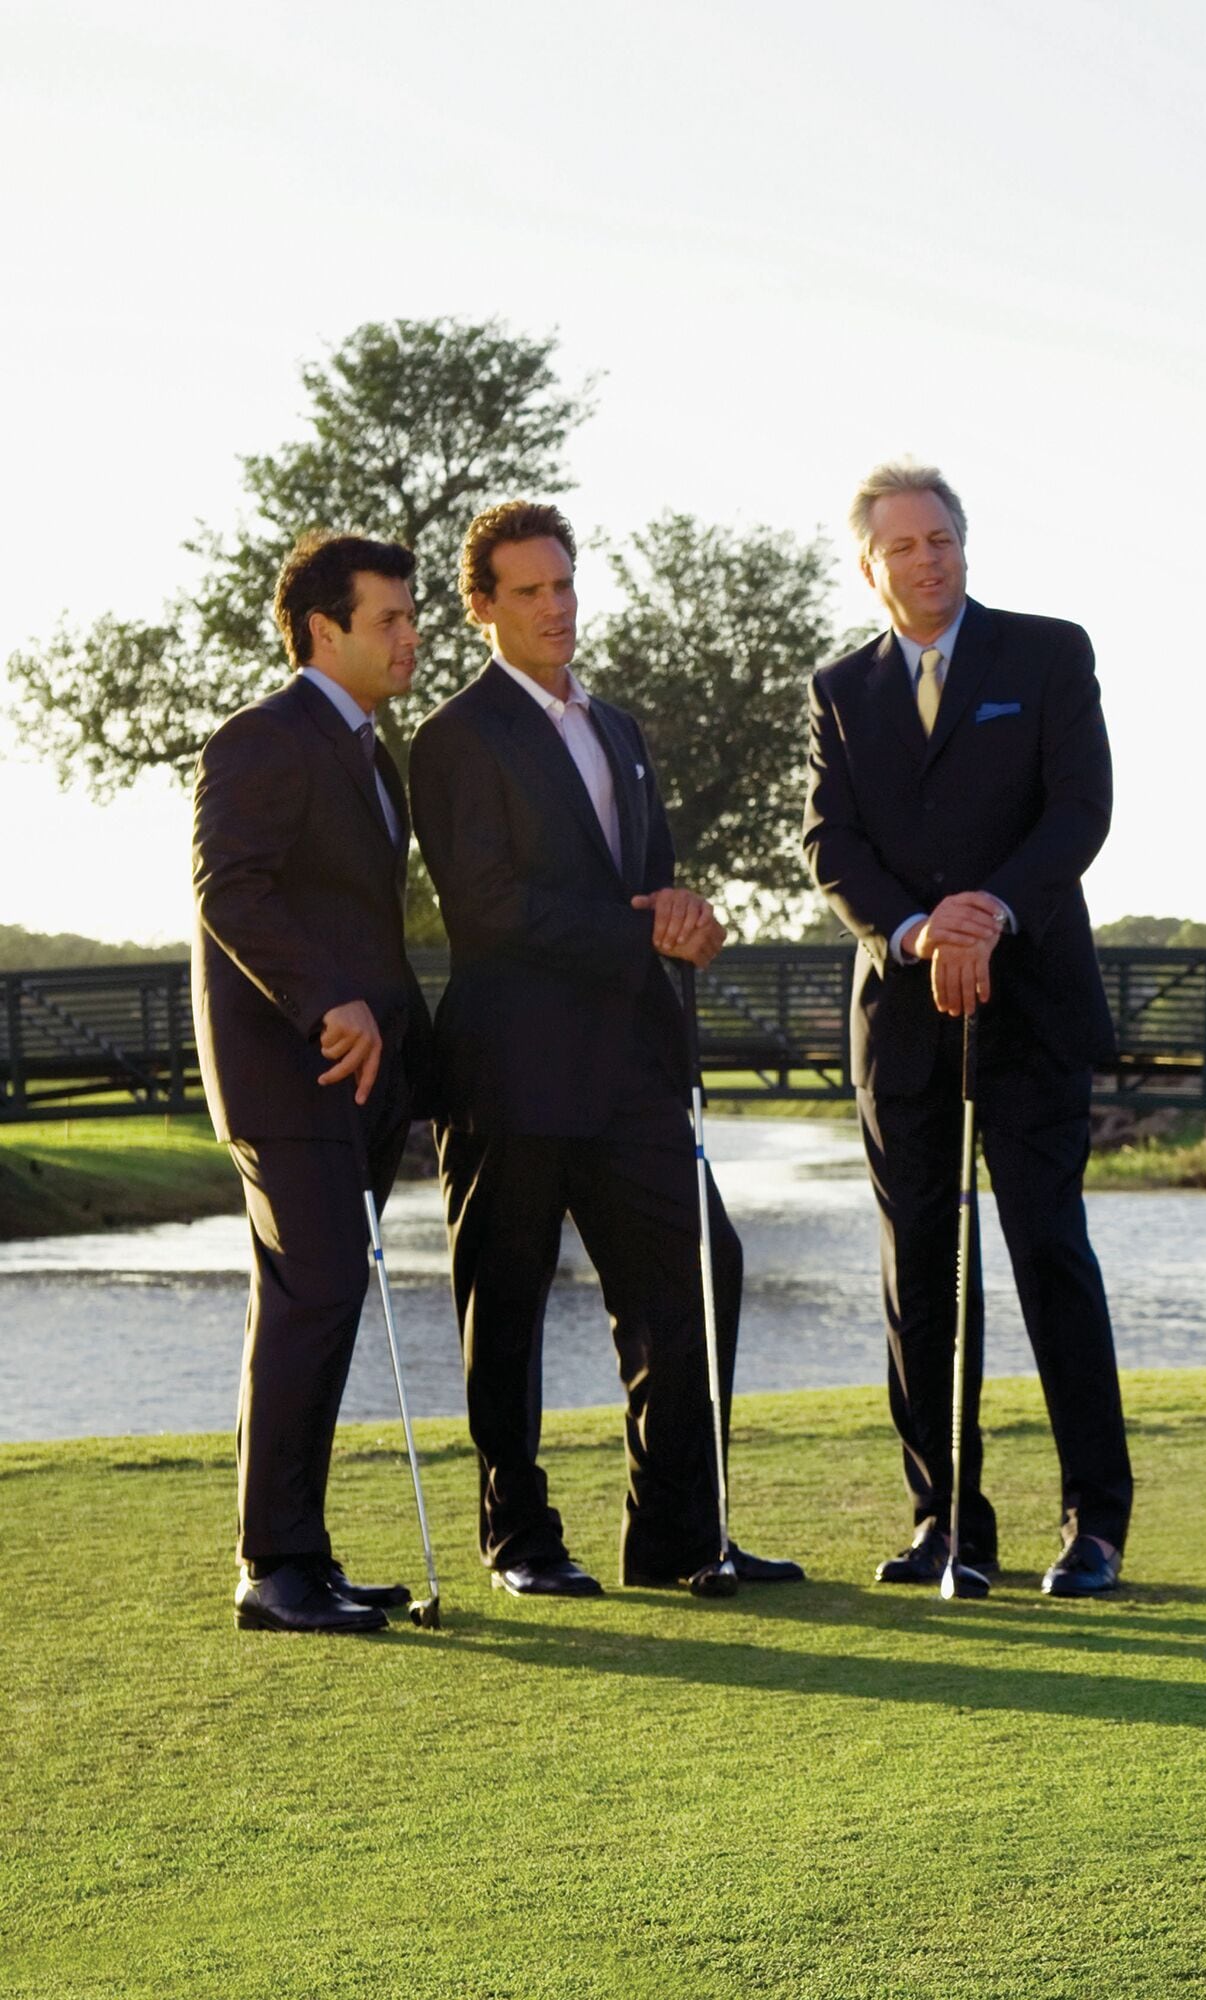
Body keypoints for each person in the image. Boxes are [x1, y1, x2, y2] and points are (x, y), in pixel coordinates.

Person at [410, 501, 801, 1599]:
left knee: (702, 1271)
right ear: (481, 605)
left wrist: (689, 916)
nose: (555, 608)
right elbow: (486, 908)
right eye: (528, 591)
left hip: (631, 1067)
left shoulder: (620, 729)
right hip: (509, 1072)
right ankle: (518, 1536)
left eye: (565, 584)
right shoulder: (453, 737)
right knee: (509, 1306)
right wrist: (641, 924)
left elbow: (656, 880)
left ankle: (677, 1532)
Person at [802, 460, 1129, 1598]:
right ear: (869, 566)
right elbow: (829, 842)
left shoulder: (1046, 653)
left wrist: (987, 912)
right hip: (900, 1020)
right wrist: (913, 928)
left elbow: (1080, 805)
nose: (927, 558)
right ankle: (949, 1521)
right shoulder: (840, 689)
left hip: (1030, 1007)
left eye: (941, 538)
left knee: (1047, 1253)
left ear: (963, 544)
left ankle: (1095, 1524)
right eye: (903, 545)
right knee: (920, 1275)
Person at [193, 531, 434, 1633]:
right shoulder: (261, 738)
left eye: (411, 613)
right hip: (285, 1074)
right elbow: (230, 892)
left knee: (312, 1307)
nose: (409, 634)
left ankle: (303, 1555)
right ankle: (272, 1565)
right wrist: (326, 998)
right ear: (321, 629)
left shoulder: (374, 753)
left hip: (361, 1079)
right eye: (387, 617)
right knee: (316, 1295)